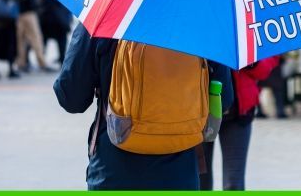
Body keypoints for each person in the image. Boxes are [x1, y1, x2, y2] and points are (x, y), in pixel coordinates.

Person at [54, 24, 233, 190]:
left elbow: (71, 98)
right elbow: (224, 100)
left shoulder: (106, 15)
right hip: (180, 174)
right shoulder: (202, 23)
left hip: (113, 171)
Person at [200, 56, 279, 191]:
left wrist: (251, 61)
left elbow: (265, 67)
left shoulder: (247, 34)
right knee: (201, 183)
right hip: (199, 112)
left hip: (238, 113)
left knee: (233, 184)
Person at [16, 0, 54, 73]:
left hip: (19, 13)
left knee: (22, 40)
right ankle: (42, 63)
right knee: (36, 39)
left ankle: (21, 63)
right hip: (29, 13)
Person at [36, 0, 72, 66]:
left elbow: (41, 3)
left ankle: (58, 59)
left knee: (48, 40)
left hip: (51, 20)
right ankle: (61, 60)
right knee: (60, 41)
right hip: (57, 20)